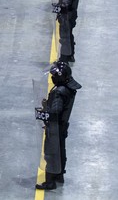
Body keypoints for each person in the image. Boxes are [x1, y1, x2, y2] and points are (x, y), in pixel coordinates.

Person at [35, 61, 81, 191]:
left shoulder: (58, 92)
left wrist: (44, 111)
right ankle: (59, 175)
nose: (52, 77)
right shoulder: (69, 88)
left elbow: (55, 111)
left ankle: (50, 181)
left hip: (55, 128)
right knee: (60, 150)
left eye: (54, 75)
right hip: (62, 126)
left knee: (51, 153)